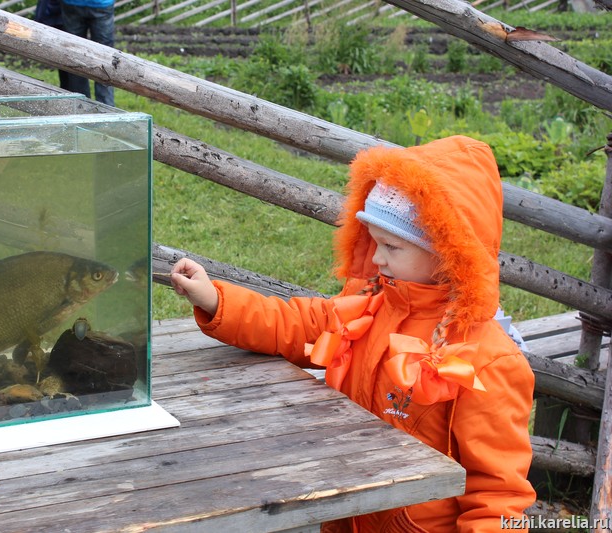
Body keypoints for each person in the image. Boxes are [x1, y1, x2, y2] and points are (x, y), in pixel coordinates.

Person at [169, 135, 536, 532]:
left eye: (391, 247)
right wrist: (215, 300)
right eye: (374, 242)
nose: (377, 258)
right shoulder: (367, 306)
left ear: (448, 252)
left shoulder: (486, 360)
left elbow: (499, 494)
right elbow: (292, 324)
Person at [59, 0, 115, 106]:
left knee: (74, 57)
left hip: (73, 4)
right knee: (105, 58)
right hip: (101, 4)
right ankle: (106, 109)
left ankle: (80, 108)